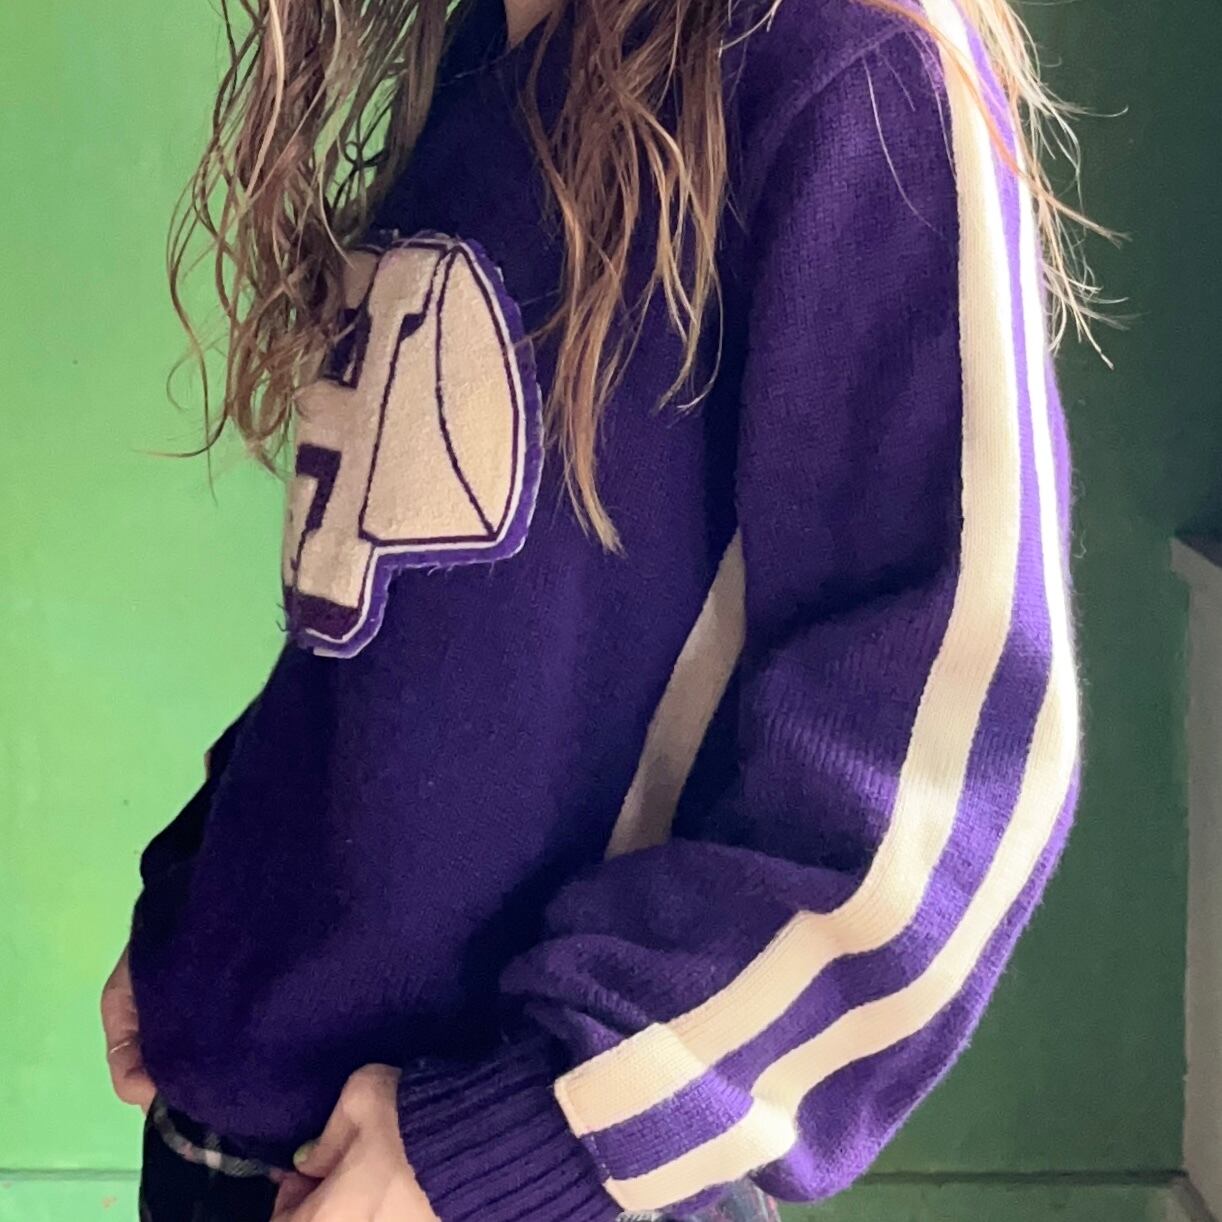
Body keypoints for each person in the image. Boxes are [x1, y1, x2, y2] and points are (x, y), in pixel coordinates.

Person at [99, 0, 1089, 1214]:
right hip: (229, 1129)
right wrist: (206, 908)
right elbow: (392, 645)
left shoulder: (849, 63)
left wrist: (536, 1137)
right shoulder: (480, 50)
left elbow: (946, 761)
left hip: (490, 1172)